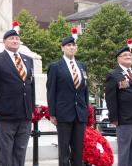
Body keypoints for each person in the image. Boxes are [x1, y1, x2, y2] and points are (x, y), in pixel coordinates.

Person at [0, 28, 35, 166]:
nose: (15, 41)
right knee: (5, 153)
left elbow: (31, 86)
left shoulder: (28, 60)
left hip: (25, 115)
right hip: (6, 114)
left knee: (21, 151)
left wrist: (31, 108)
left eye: (17, 39)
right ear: (4, 41)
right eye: (11, 38)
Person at [46, 35, 89, 166]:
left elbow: (84, 90)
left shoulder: (82, 66)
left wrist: (86, 109)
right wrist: (52, 113)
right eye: (68, 45)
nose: (71, 47)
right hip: (64, 113)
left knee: (78, 150)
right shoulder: (55, 66)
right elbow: (51, 90)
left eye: (73, 45)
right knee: (64, 150)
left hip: (79, 113)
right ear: (62, 48)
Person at [105, 44, 132, 166]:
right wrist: (114, 118)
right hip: (125, 119)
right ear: (119, 58)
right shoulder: (114, 75)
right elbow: (110, 98)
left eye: (130, 55)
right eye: (125, 55)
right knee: (125, 150)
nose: (129, 56)